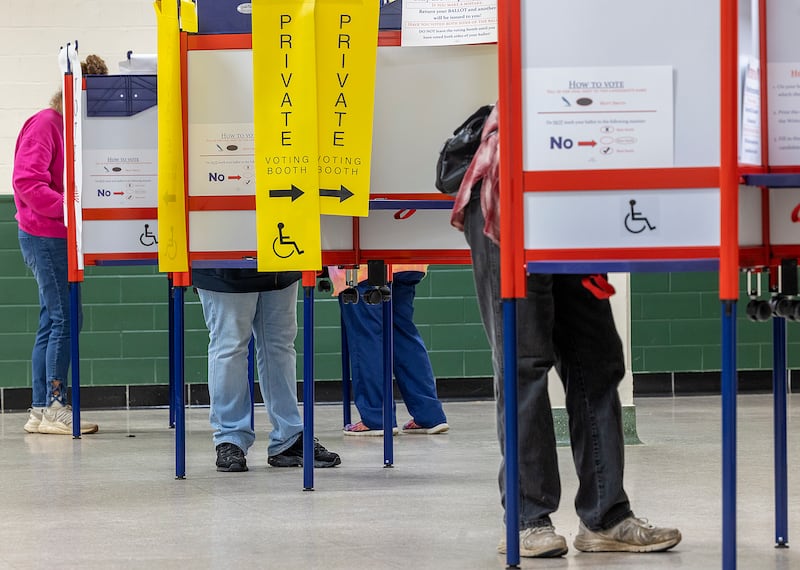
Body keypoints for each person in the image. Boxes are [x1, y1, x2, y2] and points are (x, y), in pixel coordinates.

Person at [449, 104, 681, 557]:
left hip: (570, 200)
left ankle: (605, 517)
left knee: (598, 360)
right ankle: (527, 519)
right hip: (506, 195)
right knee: (524, 363)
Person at [13, 73, 107, 436]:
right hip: (45, 233)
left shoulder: (65, 128)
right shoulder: (47, 123)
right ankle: (54, 406)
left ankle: (39, 409)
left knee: (52, 321)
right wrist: (70, 207)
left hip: (53, 233)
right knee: (66, 319)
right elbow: (27, 182)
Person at [192, 267, 341, 472]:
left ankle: (288, 438)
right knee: (229, 347)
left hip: (280, 264)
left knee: (280, 347)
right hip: (224, 267)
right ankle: (229, 438)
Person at [328, 265, 449, 436]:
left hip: (358, 267)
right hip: (407, 263)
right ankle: (429, 415)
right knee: (403, 336)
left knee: (366, 338)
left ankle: (377, 417)